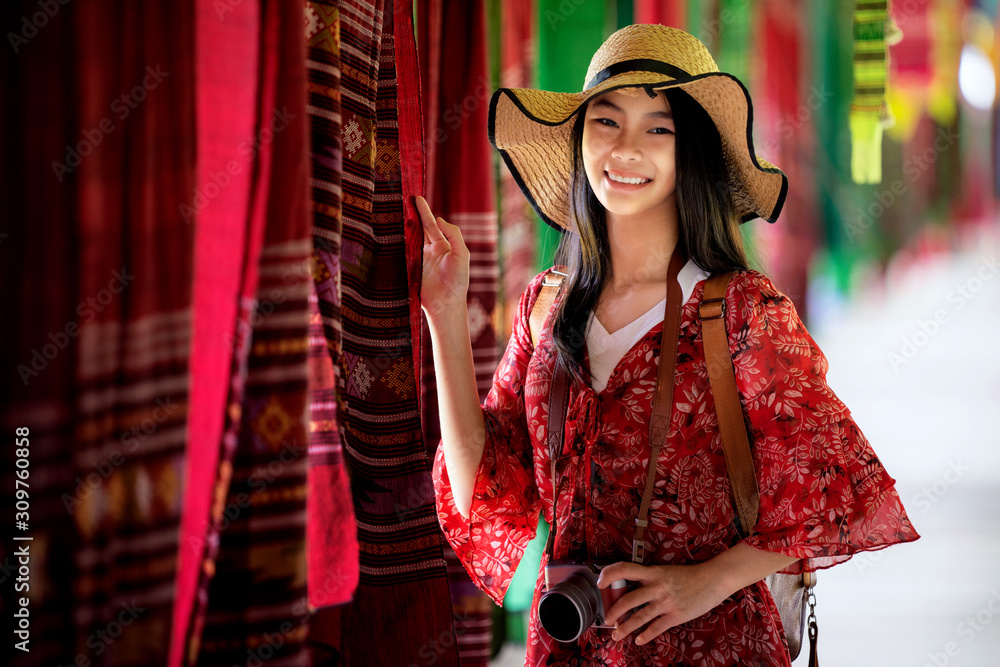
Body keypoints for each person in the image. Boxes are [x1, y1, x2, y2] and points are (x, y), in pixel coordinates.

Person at [417, 23, 919, 666]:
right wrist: (444, 316)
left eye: (658, 129)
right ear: (580, 141)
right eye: (606, 122)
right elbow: (481, 492)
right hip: (569, 647)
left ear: (692, 155)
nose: (626, 149)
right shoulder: (546, 306)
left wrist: (700, 585)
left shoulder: (738, 311)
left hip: (712, 648)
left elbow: (833, 487)